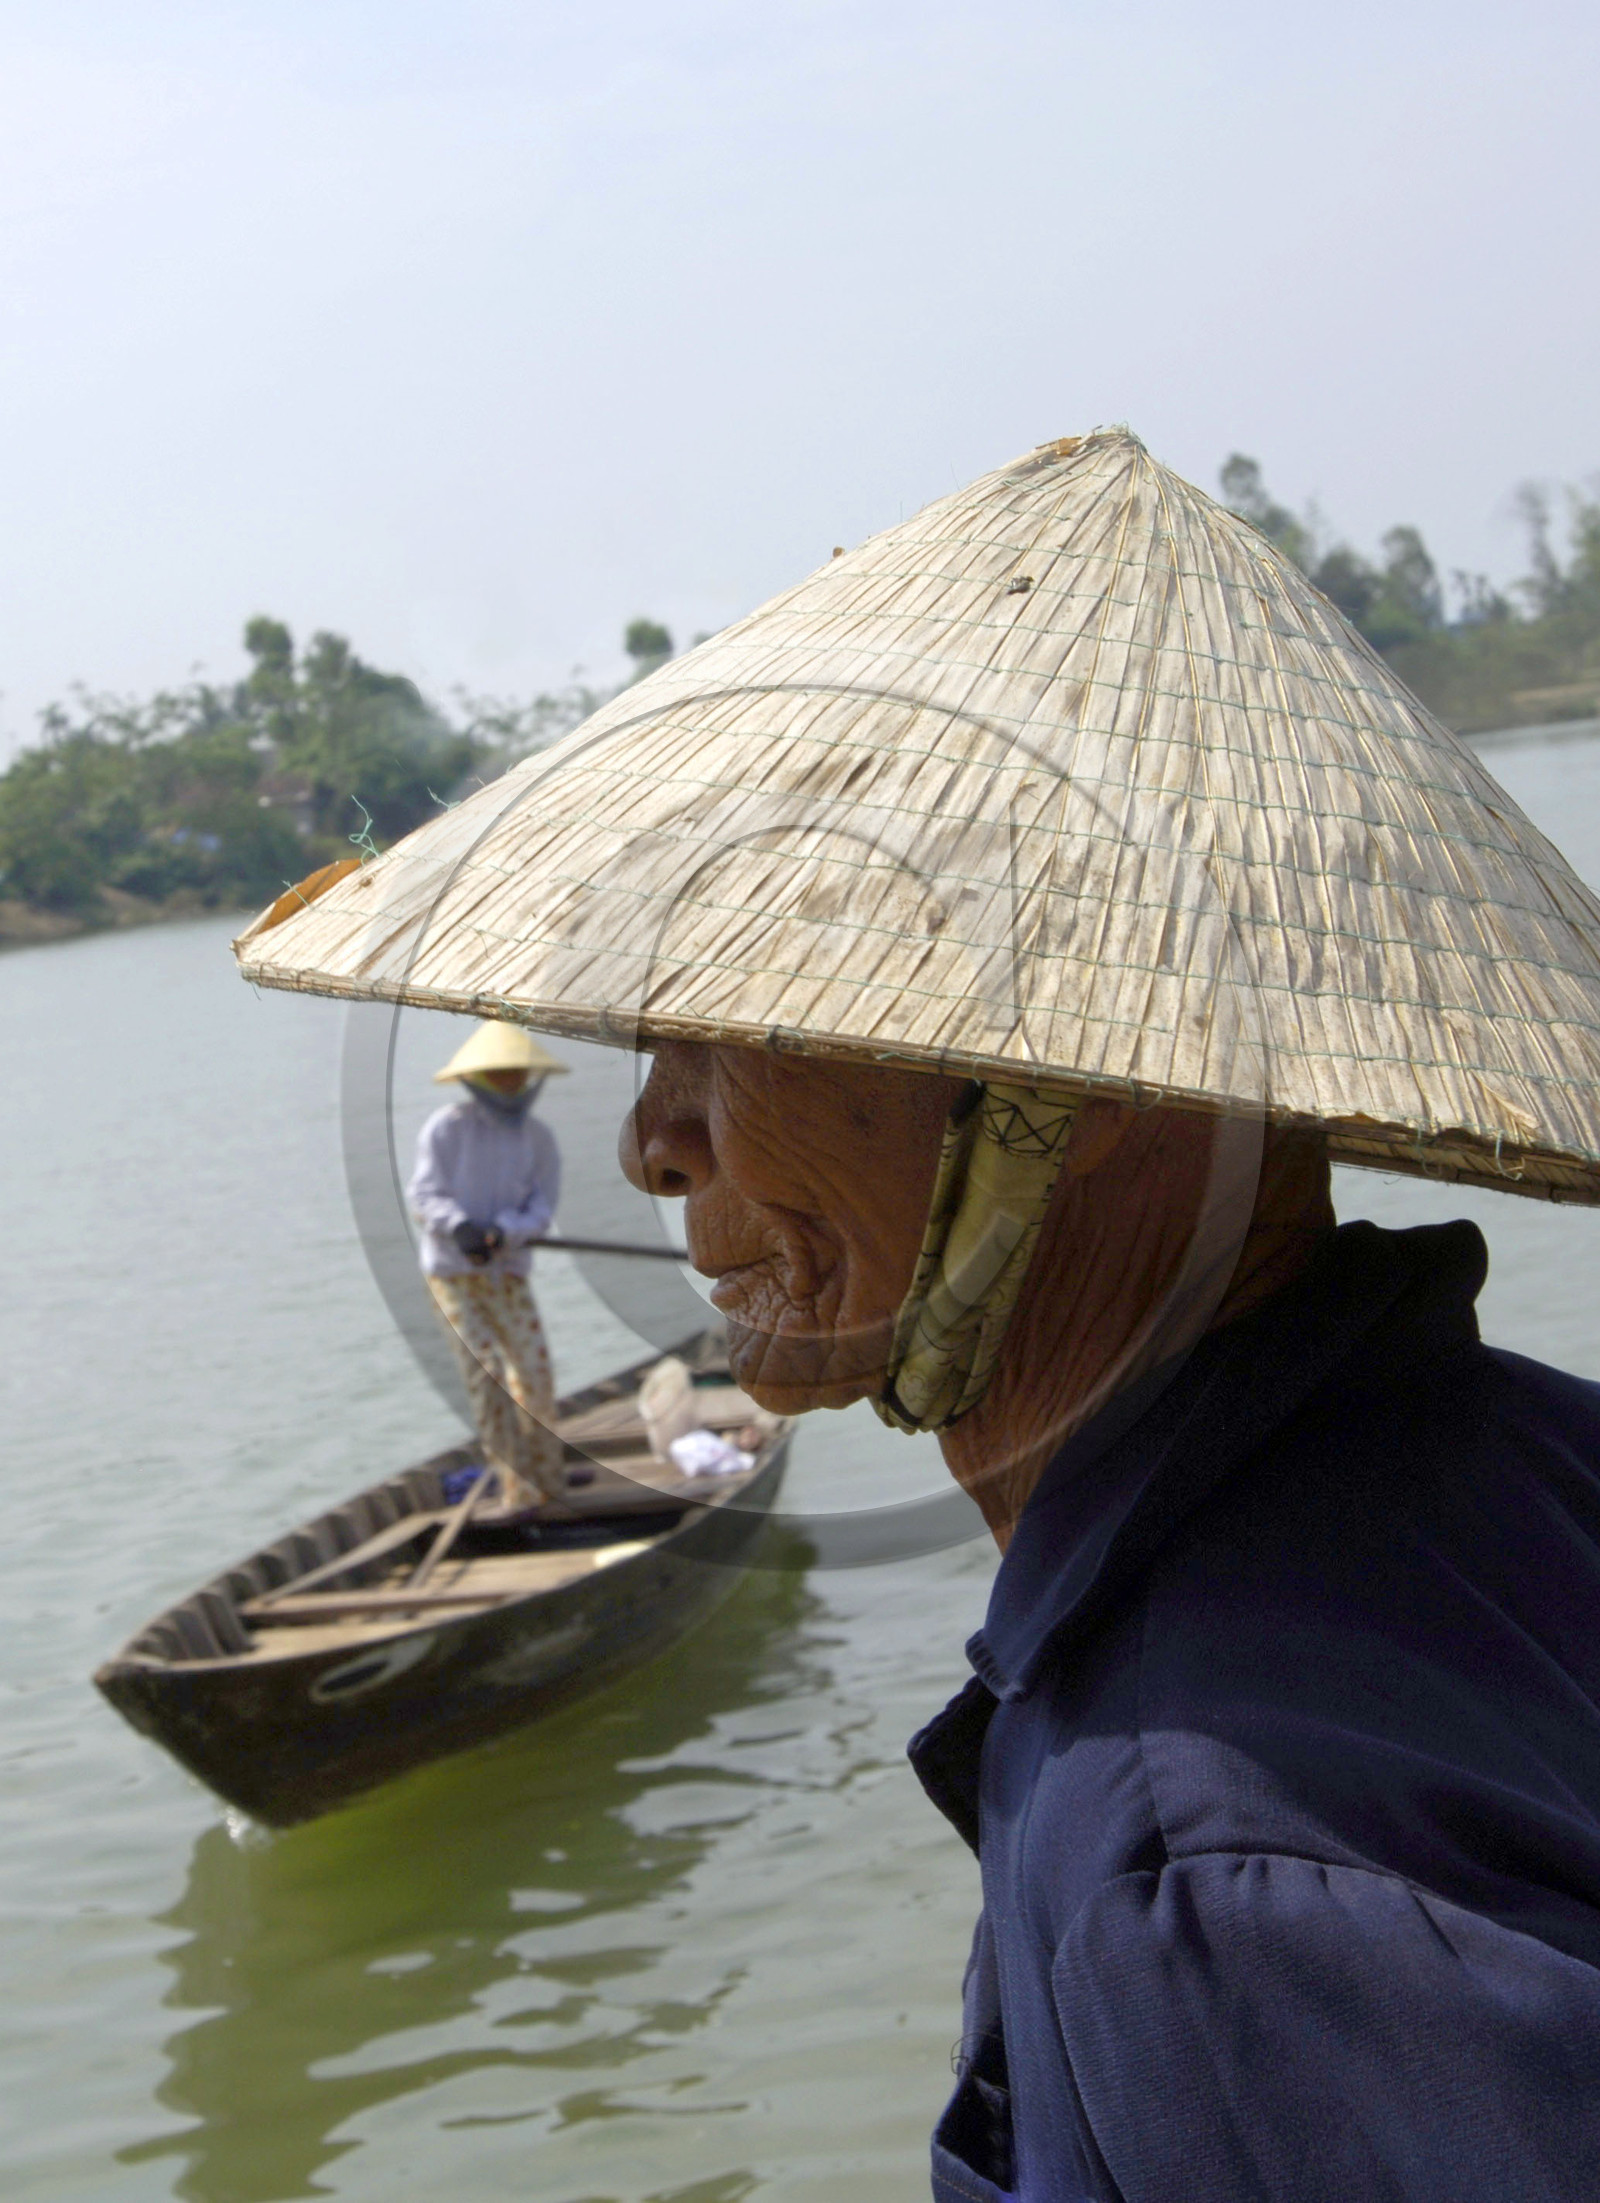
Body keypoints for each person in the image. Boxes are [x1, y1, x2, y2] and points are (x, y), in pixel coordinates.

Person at [242, 429, 1600, 2197]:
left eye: (738, 1025)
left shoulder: (1206, 1881)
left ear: (1077, 1078)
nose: (652, 1140)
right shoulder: (1542, 1463)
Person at [407, 1019, 569, 1509]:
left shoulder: (538, 1140)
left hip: (507, 1273)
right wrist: (459, 1227)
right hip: (453, 1276)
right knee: (489, 1376)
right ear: (477, 1078)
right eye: (499, 1073)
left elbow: (541, 1211)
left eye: (516, 1074)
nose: (510, 1084)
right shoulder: (446, 1129)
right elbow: (424, 1196)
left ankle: (549, 1483)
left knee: (535, 1376)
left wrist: (505, 1232)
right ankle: (517, 1492)